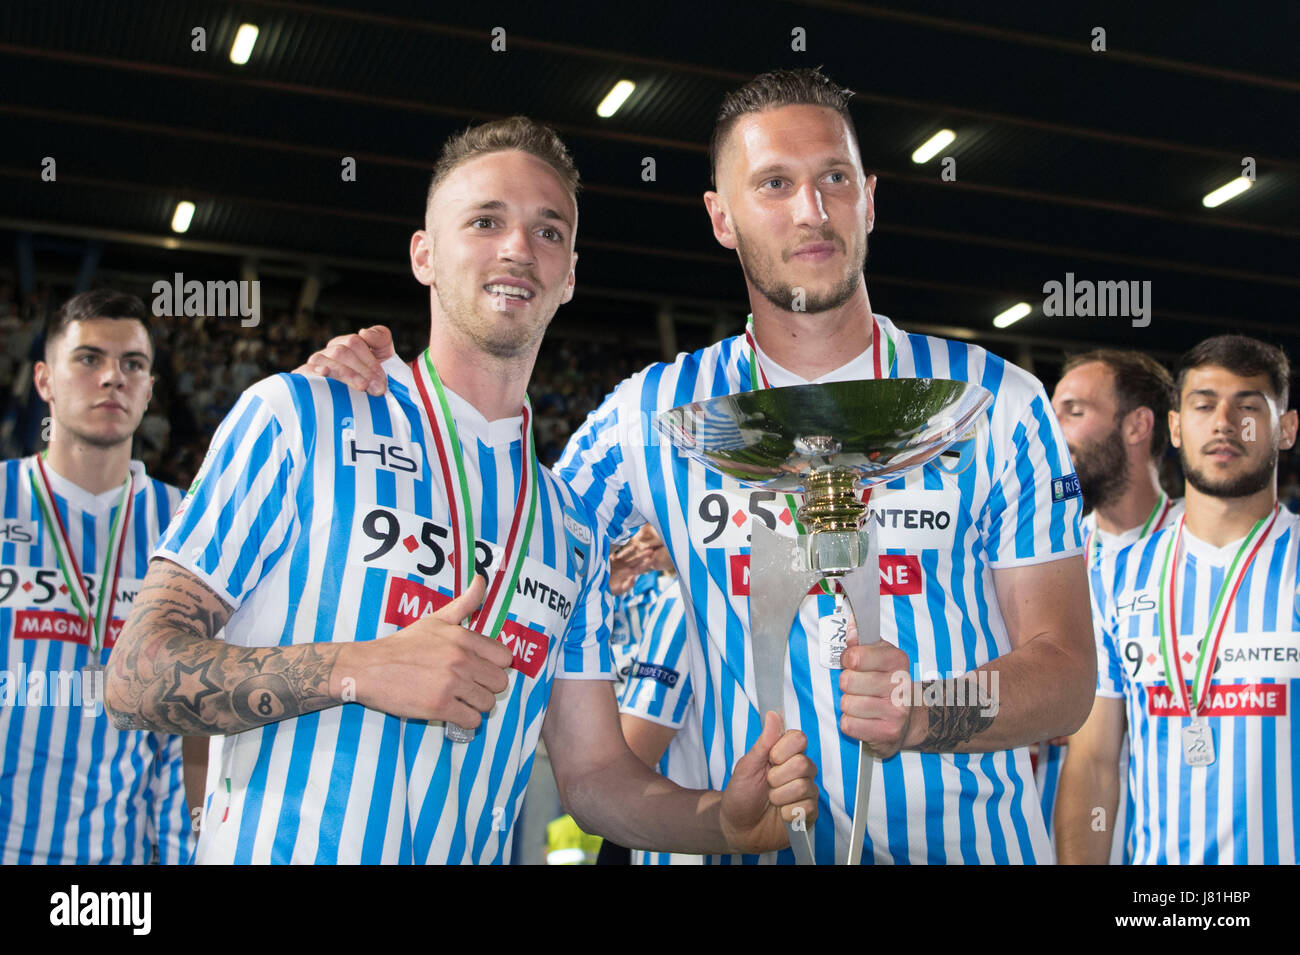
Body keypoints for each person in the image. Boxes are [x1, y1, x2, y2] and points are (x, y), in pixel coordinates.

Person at [306, 70, 1095, 864]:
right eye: (774, 184)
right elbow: (501, 526)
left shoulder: (995, 401)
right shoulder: (650, 417)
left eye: (835, 180)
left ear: (871, 197)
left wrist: (927, 710)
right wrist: (396, 396)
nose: (811, 211)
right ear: (722, 217)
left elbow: (1064, 671)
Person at [104, 116, 816, 864]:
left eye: (548, 232)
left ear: (570, 273)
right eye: (485, 221)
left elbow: (595, 772)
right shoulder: (299, 416)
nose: (517, 247)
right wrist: (360, 669)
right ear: (425, 254)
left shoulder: (568, 524)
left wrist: (723, 824)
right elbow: (136, 673)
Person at [1057, 335, 1299, 864]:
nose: (1224, 423)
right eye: (1204, 404)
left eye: (1249, 405)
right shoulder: (1117, 575)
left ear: (1286, 429)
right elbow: (1094, 763)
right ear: (1174, 426)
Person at [0, 288, 194, 863]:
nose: (113, 377)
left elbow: (186, 728)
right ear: (44, 380)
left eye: (133, 364)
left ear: (150, 390)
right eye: (88, 359)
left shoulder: (187, 527)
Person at [1041, 349, 1183, 861]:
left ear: (1138, 425)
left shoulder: (1203, 561)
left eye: (1074, 412)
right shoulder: (1041, 559)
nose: (1053, 431)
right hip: (1052, 831)